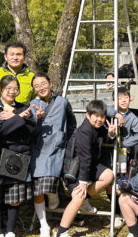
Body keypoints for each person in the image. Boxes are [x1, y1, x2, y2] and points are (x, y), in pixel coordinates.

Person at [0, 75, 36, 237]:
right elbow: (0, 131)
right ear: (0, 90)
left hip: (16, 157)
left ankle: (11, 231)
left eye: (15, 89)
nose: (12, 92)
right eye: (8, 89)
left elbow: (31, 132)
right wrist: (19, 119)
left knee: (15, 197)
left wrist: (16, 117)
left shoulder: (22, 107)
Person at [56, 100, 117, 237]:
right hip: (74, 168)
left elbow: (103, 141)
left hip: (88, 165)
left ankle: (85, 200)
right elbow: (85, 158)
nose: (100, 120)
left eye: (102, 116)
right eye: (96, 116)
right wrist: (83, 183)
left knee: (109, 175)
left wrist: (111, 134)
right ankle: (62, 231)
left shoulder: (99, 128)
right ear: (88, 115)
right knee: (78, 196)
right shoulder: (84, 132)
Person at [29, 73, 77, 237]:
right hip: (39, 149)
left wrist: (68, 139)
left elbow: (71, 121)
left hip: (58, 147)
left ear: (50, 83)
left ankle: (54, 195)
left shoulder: (62, 102)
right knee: (38, 189)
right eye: (37, 86)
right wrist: (38, 120)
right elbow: (30, 130)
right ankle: (44, 225)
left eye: (43, 83)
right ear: (34, 89)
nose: (41, 87)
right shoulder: (33, 105)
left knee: (52, 180)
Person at [0, 41, 35, 110]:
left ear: (24, 57)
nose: (15, 57)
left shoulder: (32, 77)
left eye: (19, 54)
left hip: (21, 118)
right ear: (5, 57)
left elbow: (35, 102)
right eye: (12, 54)